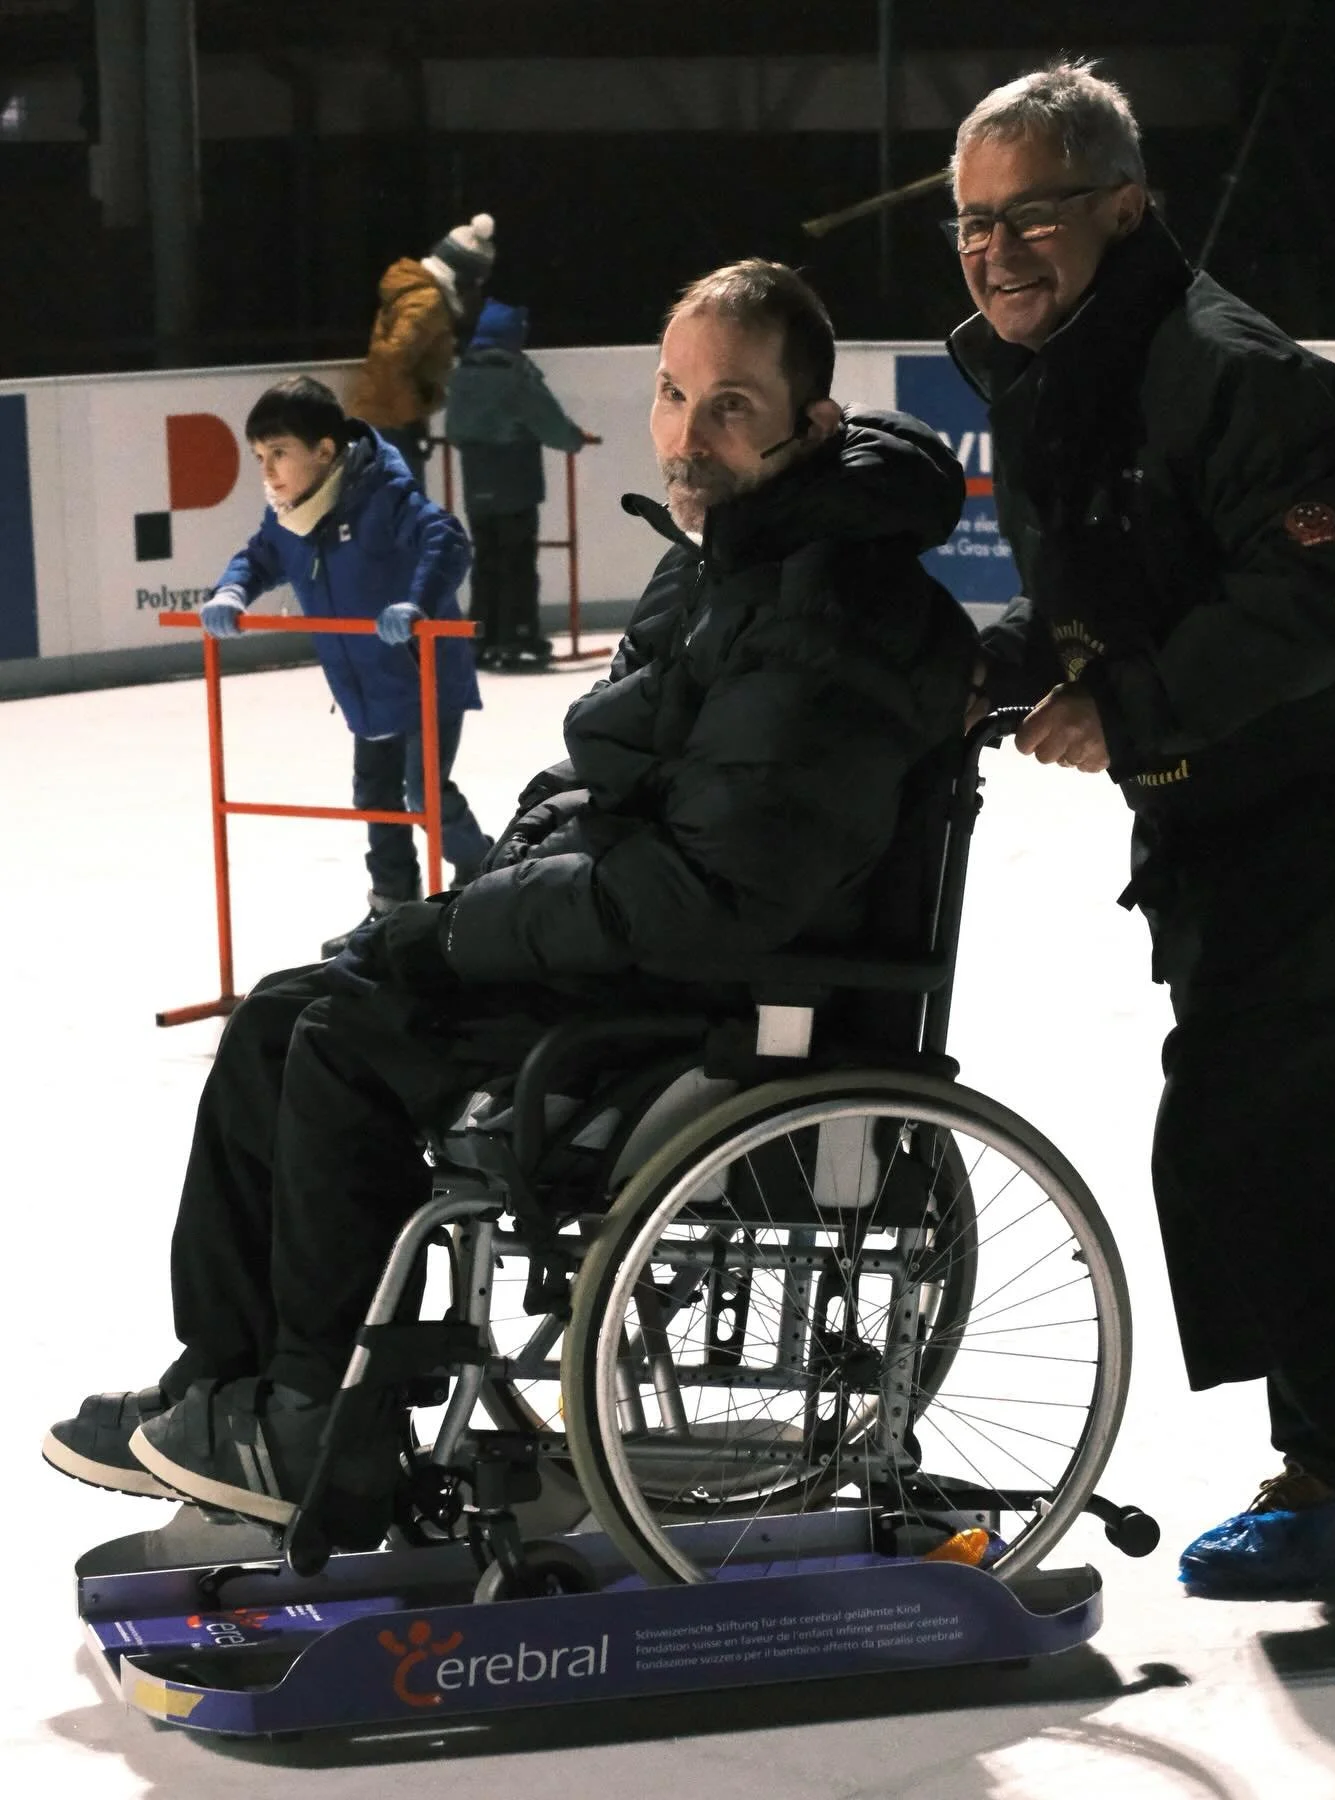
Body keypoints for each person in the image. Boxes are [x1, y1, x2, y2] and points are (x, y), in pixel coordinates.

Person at [41, 261, 976, 1545]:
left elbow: (709, 891)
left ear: (811, 426)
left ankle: (321, 1421)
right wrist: (478, 905)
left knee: (347, 1042)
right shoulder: (736, 559)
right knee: (281, 1015)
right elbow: (606, 787)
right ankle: (233, 1385)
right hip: (635, 953)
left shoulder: (832, 609)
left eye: (731, 408)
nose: (687, 437)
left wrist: (469, 925)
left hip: (720, 1002)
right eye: (671, 396)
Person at [948, 60, 1335, 1590]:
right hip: (1231, 809)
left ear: (1126, 208)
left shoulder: (1243, 373)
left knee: (1266, 1127)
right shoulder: (1065, 371)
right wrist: (992, 667)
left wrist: (1134, 707)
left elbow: (1326, 595)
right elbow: (1117, 584)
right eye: (972, 223)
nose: (997, 251)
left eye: (1034, 216)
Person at [189, 375, 492, 958]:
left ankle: (481, 873)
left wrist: (416, 604)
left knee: (424, 788)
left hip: (421, 672)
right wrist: (231, 592)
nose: (268, 471)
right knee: (374, 793)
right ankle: (391, 905)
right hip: (364, 686)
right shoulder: (290, 517)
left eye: (280, 454)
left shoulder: (382, 497)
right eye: (259, 457)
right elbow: (257, 556)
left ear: (325, 451)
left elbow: (446, 539)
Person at [445, 296, 596, 670]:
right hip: (515, 484)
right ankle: (518, 636)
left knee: (487, 559)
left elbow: (453, 429)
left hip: (477, 487)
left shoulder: (463, 376)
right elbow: (550, 424)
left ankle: (482, 638)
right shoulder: (516, 377)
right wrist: (574, 438)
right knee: (517, 561)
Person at [351, 214, 497, 485]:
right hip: (391, 425)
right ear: (462, 275)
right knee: (406, 516)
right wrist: (410, 419)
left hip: (386, 420)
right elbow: (392, 358)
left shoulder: (424, 296)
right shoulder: (427, 304)